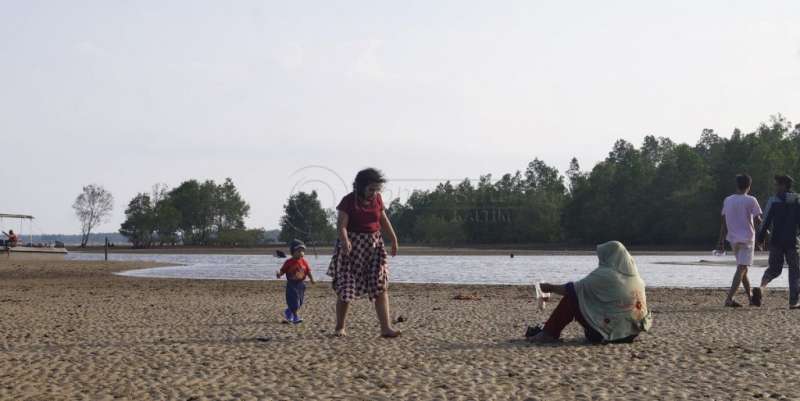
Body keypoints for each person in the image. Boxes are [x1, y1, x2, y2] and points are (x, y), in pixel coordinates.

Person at [527, 241, 652, 344]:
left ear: (609, 256)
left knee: (572, 297)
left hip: (609, 336)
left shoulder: (606, 274)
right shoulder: (637, 279)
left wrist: (550, 287)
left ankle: (548, 333)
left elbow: (573, 289)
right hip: (630, 334)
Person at [327, 168, 401, 338]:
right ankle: (340, 327)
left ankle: (386, 328)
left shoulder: (377, 200)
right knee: (346, 290)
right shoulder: (348, 201)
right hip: (351, 248)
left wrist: (394, 239)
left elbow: (383, 220)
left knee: (380, 287)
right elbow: (341, 226)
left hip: (374, 246)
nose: (373, 193)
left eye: (376, 189)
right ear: (360, 187)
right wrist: (345, 240)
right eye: (370, 189)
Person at [753, 175, 800, 308]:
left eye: (777, 184)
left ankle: (761, 288)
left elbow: (765, 221)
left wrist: (760, 238)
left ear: (783, 185)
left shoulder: (773, 200)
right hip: (792, 242)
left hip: (776, 241)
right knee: (795, 271)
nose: (775, 187)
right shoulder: (797, 200)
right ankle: (793, 301)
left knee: (774, 269)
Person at [717, 174, 763, 307]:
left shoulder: (728, 200)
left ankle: (750, 298)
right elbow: (758, 220)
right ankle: (729, 299)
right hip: (747, 239)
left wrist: (720, 240)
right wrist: (766, 234)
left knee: (743, 270)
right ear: (749, 186)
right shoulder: (751, 200)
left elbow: (724, 222)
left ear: (737, 185)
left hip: (733, 239)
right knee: (742, 268)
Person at [277, 239, 315, 324]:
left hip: (301, 284)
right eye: (299, 251)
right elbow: (283, 270)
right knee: (294, 302)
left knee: (300, 302)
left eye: (303, 251)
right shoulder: (289, 262)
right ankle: (295, 317)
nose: (301, 253)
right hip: (292, 284)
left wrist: (312, 279)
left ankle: (288, 312)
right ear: (293, 252)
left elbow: (308, 271)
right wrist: (279, 274)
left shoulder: (304, 262)